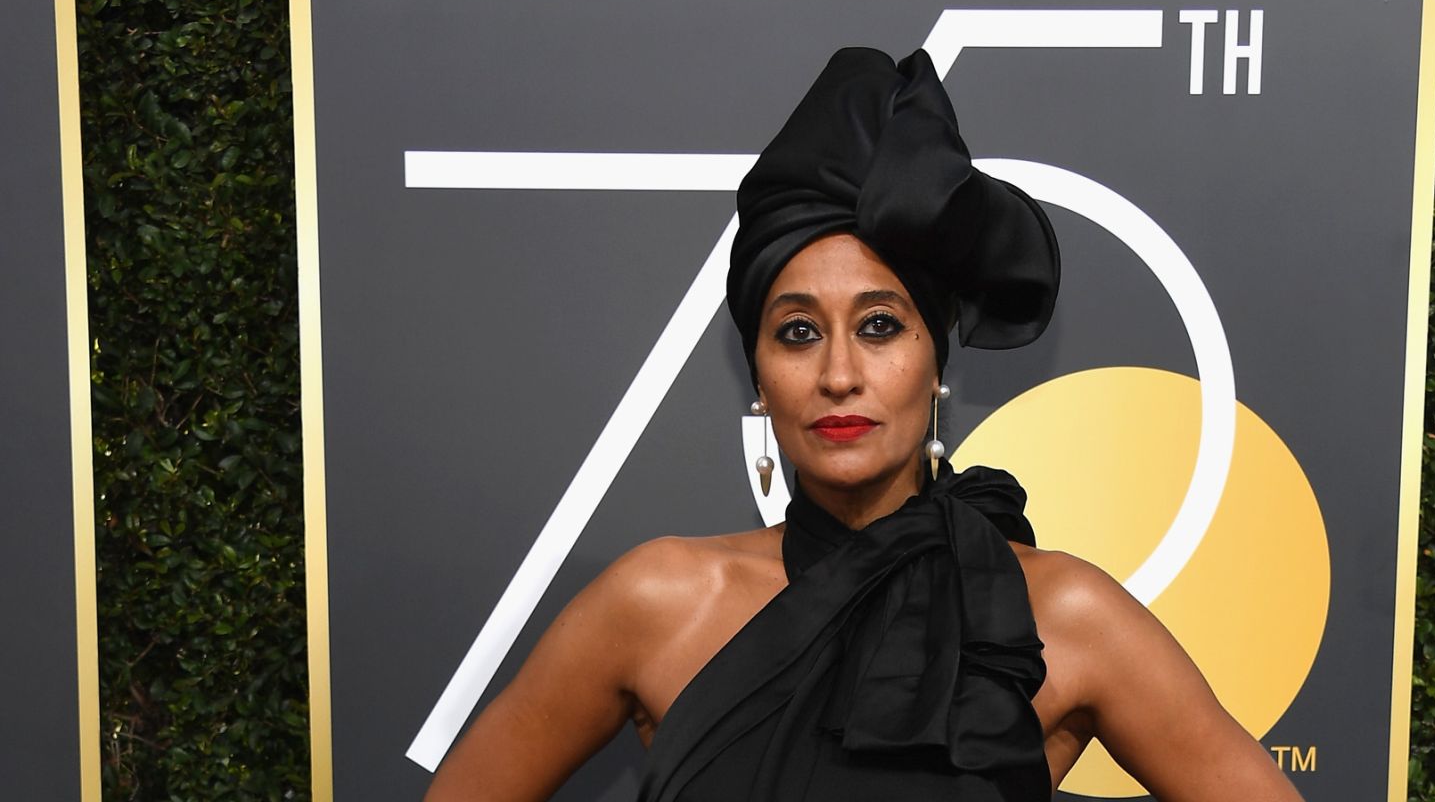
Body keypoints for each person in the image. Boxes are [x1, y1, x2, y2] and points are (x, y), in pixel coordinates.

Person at [425, 48, 1305, 802]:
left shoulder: (1061, 615)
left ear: (935, 368)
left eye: (881, 326)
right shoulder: (657, 601)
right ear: (760, 378)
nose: (840, 373)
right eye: (798, 332)